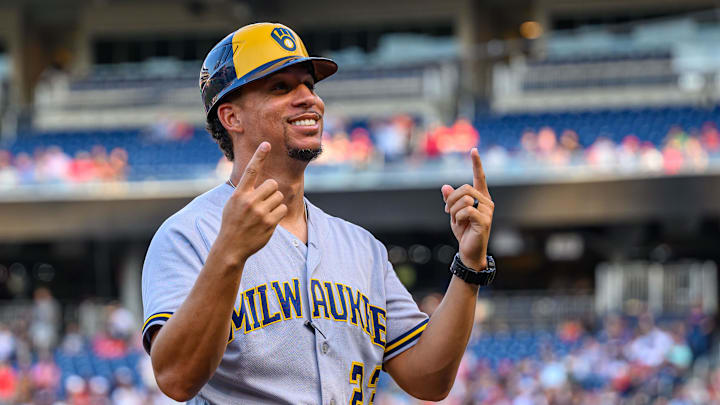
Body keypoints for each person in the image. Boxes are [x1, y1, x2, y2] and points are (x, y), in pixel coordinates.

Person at [141, 22, 496, 404]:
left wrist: (469, 265)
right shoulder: (187, 233)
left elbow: (429, 380)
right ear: (231, 117)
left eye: (309, 84)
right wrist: (228, 253)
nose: (308, 98)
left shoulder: (361, 248)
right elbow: (176, 379)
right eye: (281, 87)